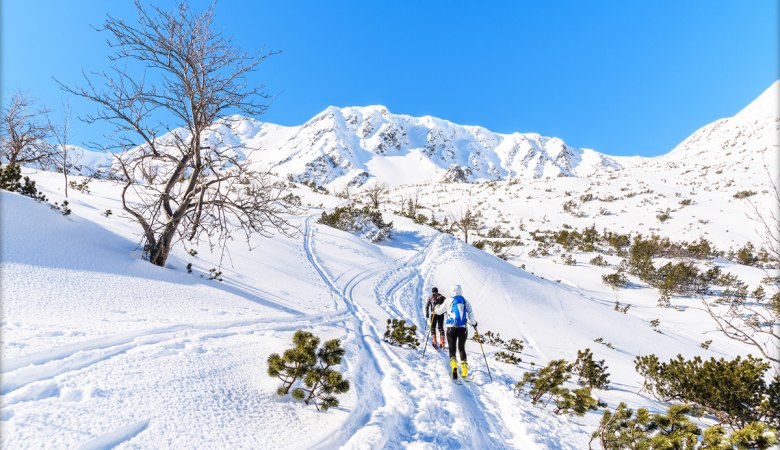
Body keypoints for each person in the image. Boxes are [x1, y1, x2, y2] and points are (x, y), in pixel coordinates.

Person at [444, 284, 477, 380]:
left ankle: (454, 366)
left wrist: (436, 309)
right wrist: (474, 324)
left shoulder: (448, 301)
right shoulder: (465, 301)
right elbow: (471, 315)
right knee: (461, 348)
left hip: (451, 328)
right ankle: (465, 370)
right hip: (463, 329)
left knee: (452, 348)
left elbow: (439, 311)